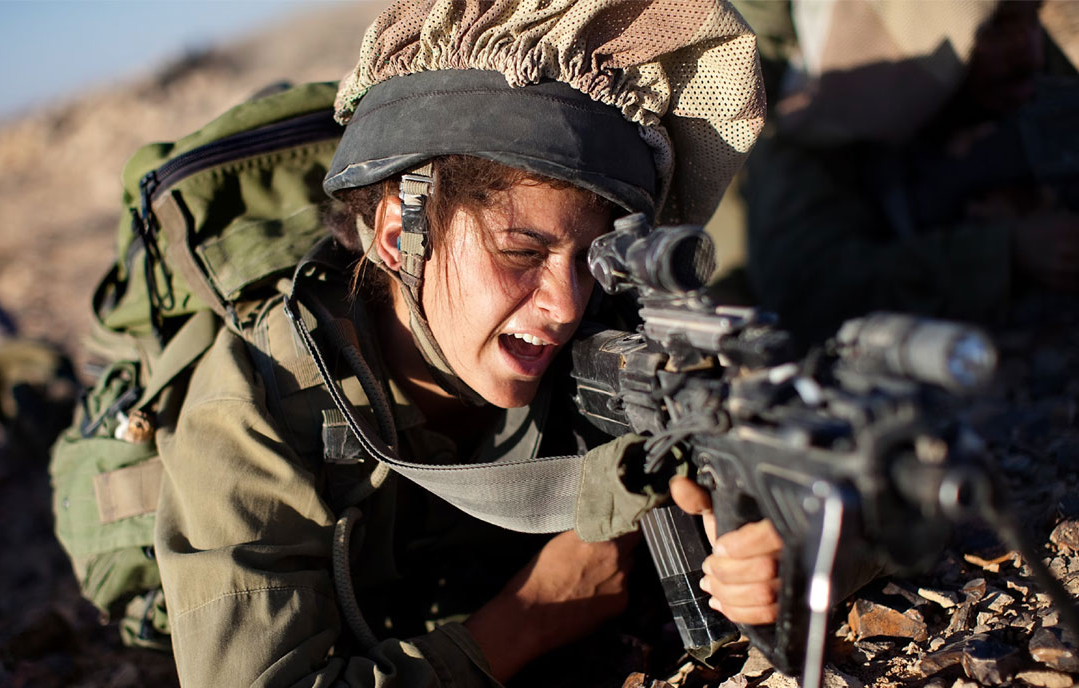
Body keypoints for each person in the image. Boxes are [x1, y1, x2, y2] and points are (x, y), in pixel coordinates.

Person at [143, 1, 782, 685]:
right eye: (520, 252)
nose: (566, 305)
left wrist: (775, 545)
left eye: (591, 260)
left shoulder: (616, 342)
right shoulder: (251, 411)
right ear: (397, 236)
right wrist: (522, 622)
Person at [741, 0, 1079, 343]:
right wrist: (1005, 252)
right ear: (921, 37)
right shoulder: (819, 130)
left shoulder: (1028, 86)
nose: (1030, 50)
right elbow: (806, 290)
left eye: (1033, 19)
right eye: (998, 29)